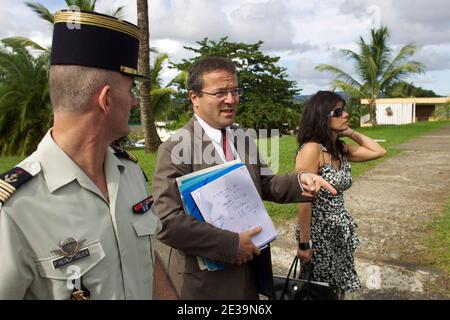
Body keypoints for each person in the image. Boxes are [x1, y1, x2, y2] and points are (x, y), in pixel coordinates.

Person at [0, 10, 168, 300]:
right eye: (131, 89)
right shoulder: (15, 209)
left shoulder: (130, 175)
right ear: (105, 99)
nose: (132, 101)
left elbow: (146, 258)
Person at [152, 56, 337, 300]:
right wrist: (231, 244)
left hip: (249, 276)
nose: (231, 100)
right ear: (194, 97)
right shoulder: (175, 148)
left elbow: (265, 184)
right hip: (204, 286)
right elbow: (167, 222)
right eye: (220, 92)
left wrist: (300, 180)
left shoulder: (242, 137)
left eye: (235, 90)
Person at [295, 91, 386, 298]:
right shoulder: (311, 150)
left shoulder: (339, 149)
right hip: (319, 234)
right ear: (321, 117)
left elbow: (378, 151)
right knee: (320, 290)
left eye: (344, 110)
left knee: (339, 287)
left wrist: (350, 133)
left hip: (339, 231)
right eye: (338, 112)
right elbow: (303, 201)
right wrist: (304, 243)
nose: (345, 115)